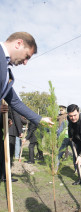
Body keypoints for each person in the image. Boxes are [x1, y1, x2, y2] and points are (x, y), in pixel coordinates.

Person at [0, 32, 53, 182]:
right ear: (18, 43)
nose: (25, 62)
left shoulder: (6, 70)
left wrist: (39, 119)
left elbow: (15, 101)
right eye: (27, 56)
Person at [57, 105, 76, 170]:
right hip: (70, 138)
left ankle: (55, 168)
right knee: (75, 154)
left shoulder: (65, 121)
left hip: (66, 138)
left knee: (59, 153)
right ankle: (76, 169)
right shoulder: (75, 121)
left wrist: (58, 138)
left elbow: (59, 131)